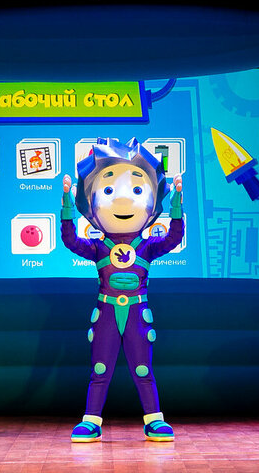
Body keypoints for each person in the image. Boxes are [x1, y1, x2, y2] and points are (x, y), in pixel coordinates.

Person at [61, 137, 184, 442]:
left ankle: (154, 420)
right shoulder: (98, 246)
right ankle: (91, 421)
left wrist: (177, 203)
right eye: (108, 191)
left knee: (143, 369)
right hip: (106, 312)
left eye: (138, 190)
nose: (123, 200)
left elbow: (173, 238)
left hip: (137, 313)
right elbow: (70, 240)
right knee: (100, 369)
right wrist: (66, 204)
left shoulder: (147, 245)